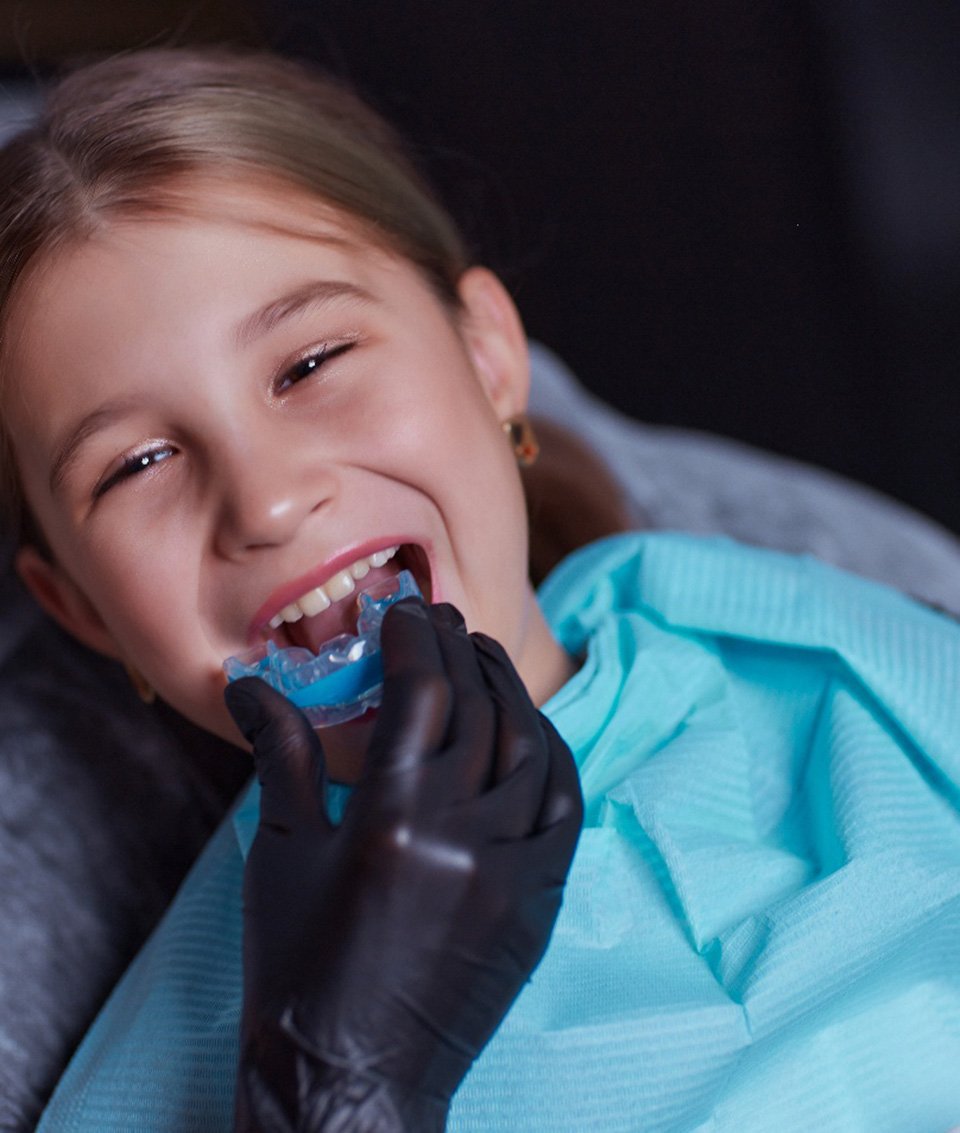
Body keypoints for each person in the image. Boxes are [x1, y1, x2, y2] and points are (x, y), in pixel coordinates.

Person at [0, 46, 958, 1133]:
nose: (264, 501)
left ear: (490, 355)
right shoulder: (169, 1076)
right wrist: (332, 1092)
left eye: (311, 363)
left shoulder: (835, 647)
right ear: (79, 606)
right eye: (135, 464)